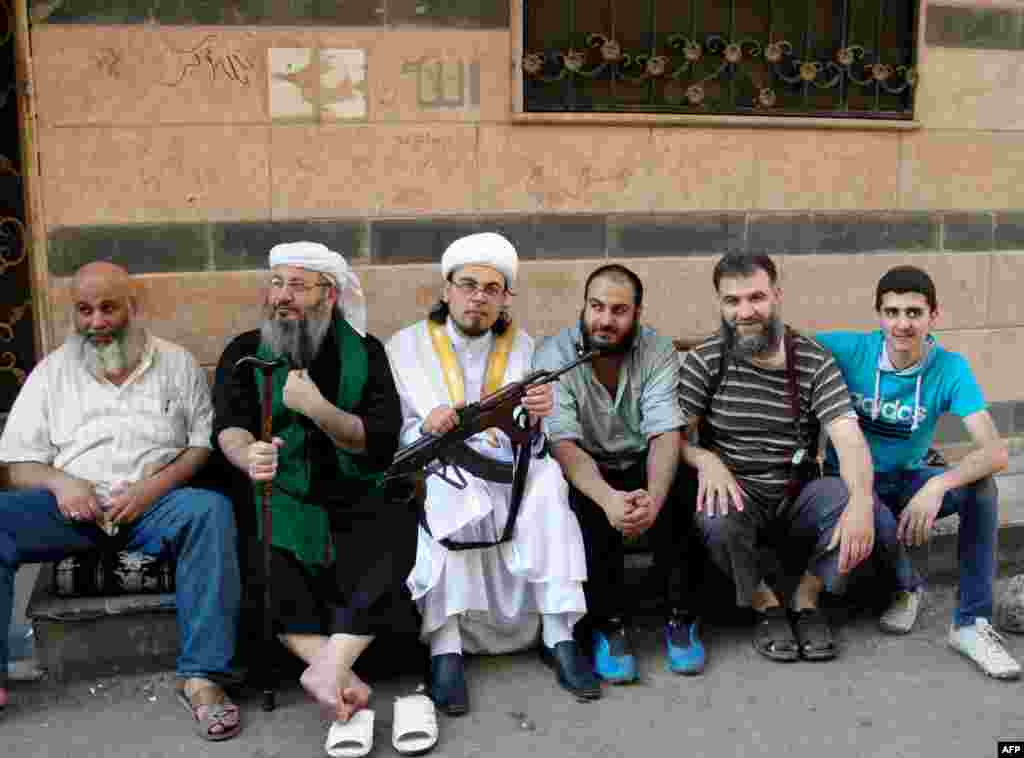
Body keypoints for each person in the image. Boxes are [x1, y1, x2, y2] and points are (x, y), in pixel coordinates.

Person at [0, 262, 242, 740]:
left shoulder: (177, 364)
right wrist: (60, 483)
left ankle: (203, 678)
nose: (96, 322)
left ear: (134, 306)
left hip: (153, 505)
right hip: (72, 511)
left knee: (211, 511)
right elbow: (15, 463)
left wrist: (156, 486)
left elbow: (200, 445)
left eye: (108, 307)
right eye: (84, 310)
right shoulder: (51, 372)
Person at [213, 242, 436, 755]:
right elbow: (228, 426)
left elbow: (378, 439)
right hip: (283, 496)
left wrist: (317, 408)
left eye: (297, 285)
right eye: (275, 283)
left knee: (397, 530)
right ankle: (336, 671)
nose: (281, 297)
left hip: (356, 494)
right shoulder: (243, 351)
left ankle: (327, 671)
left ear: (329, 295)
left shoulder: (366, 353)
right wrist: (249, 456)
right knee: (260, 547)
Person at [386, 232, 597, 715]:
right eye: (468, 285)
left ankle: (559, 634)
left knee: (549, 484)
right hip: (441, 465)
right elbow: (396, 426)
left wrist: (537, 411)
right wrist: (427, 422)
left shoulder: (523, 346)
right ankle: (446, 647)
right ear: (447, 290)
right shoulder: (406, 346)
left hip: (510, 465)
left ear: (505, 299)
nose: (478, 296)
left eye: (491, 288)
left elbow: (529, 426)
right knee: (449, 491)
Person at [816, 265, 1020, 679]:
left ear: (933, 316)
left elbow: (995, 451)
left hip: (909, 480)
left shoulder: (949, 367)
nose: (902, 324)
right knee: (875, 514)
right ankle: (906, 587)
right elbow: (776, 344)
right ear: (878, 316)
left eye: (913, 312)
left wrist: (938, 485)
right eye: (891, 312)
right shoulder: (849, 349)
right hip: (852, 485)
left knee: (981, 489)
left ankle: (971, 624)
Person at [679, 253, 876, 662]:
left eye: (756, 298)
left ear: (777, 296)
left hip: (796, 492)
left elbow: (848, 438)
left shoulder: (812, 360)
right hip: (736, 492)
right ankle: (765, 605)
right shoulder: (706, 361)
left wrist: (861, 502)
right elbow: (673, 441)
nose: (745, 312)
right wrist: (705, 460)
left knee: (847, 501)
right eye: (732, 301)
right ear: (720, 304)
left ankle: (807, 599)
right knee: (713, 517)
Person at [533, 263, 706, 681]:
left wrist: (653, 500)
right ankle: (609, 625)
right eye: (596, 306)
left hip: (645, 460)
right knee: (578, 505)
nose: (605, 320)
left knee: (683, 489)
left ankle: (681, 616)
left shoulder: (657, 350)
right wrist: (610, 500)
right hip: (589, 467)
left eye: (618, 310)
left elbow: (666, 432)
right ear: (584, 306)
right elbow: (564, 443)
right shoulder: (553, 355)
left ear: (637, 314)